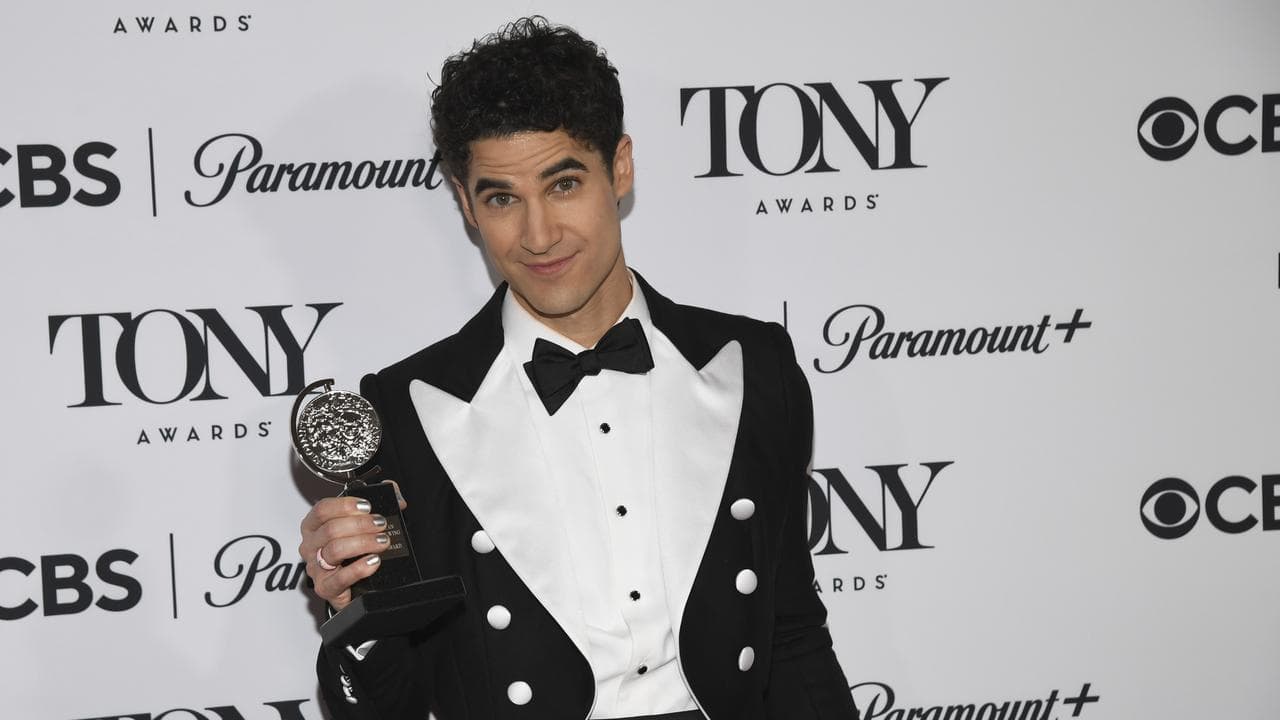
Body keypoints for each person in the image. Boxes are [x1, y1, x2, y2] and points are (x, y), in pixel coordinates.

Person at [297, 16, 859, 720]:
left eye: (563, 185)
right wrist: (356, 614)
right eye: (503, 198)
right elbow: (396, 702)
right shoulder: (412, 408)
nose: (539, 236)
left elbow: (792, 636)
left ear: (619, 166)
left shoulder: (753, 366)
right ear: (464, 202)